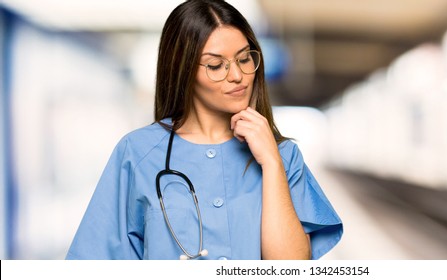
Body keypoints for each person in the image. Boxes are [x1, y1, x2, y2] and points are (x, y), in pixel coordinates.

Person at [66, 0, 343, 260]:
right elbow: (93, 263)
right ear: (182, 69)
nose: (237, 75)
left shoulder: (284, 156)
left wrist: (271, 163)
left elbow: (291, 269)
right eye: (215, 65)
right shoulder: (137, 153)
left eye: (244, 59)